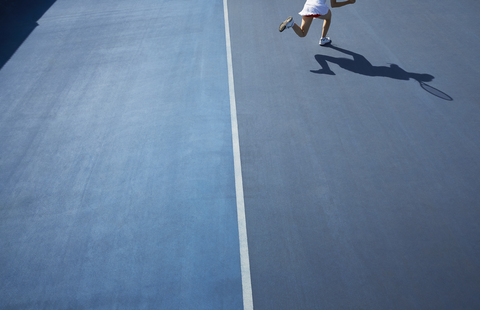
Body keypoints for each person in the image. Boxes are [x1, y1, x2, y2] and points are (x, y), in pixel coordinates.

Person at [279, 0, 356, 46]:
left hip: (307, 6)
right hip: (318, 7)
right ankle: (323, 39)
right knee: (328, 17)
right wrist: (348, 1)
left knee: (302, 33)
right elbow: (334, 5)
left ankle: (292, 24)